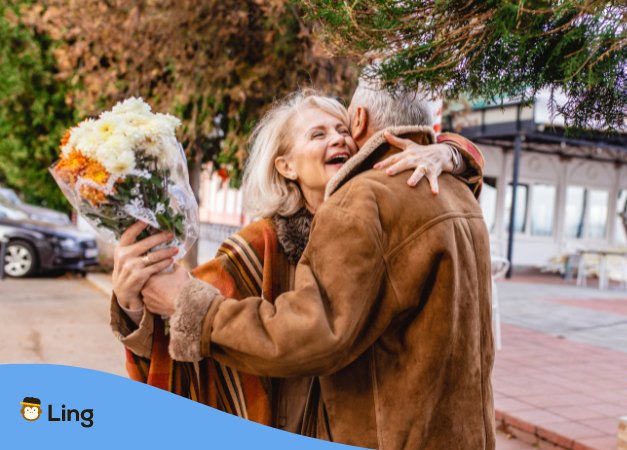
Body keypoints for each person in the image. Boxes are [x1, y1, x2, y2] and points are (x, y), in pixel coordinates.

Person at [138, 80, 495, 449]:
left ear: (358, 123)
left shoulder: (367, 201)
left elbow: (314, 332)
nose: (338, 140)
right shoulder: (457, 190)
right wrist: (138, 299)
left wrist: (452, 152)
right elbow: (176, 306)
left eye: (342, 129)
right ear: (286, 166)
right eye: (318, 133)